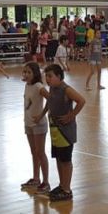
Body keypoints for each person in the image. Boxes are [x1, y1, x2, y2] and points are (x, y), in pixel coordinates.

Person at [33, 64, 85, 202]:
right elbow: (49, 103)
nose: (47, 79)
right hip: (55, 130)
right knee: (58, 159)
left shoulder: (65, 89)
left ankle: (67, 190)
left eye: (50, 76)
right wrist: (41, 115)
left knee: (66, 160)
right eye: (46, 76)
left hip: (65, 132)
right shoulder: (53, 89)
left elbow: (81, 101)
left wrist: (71, 115)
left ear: (59, 76)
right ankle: (62, 185)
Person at [20, 61, 50, 194]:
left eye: (29, 72)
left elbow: (50, 98)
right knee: (34, 152)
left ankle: (46, 181)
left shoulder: (39, 86)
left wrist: (41, 115)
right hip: (28, 123)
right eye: (24, 72)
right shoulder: (27, 85)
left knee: (40, 152)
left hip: (39, 124)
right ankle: (36, 178)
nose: (26, 74)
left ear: (35, 73)